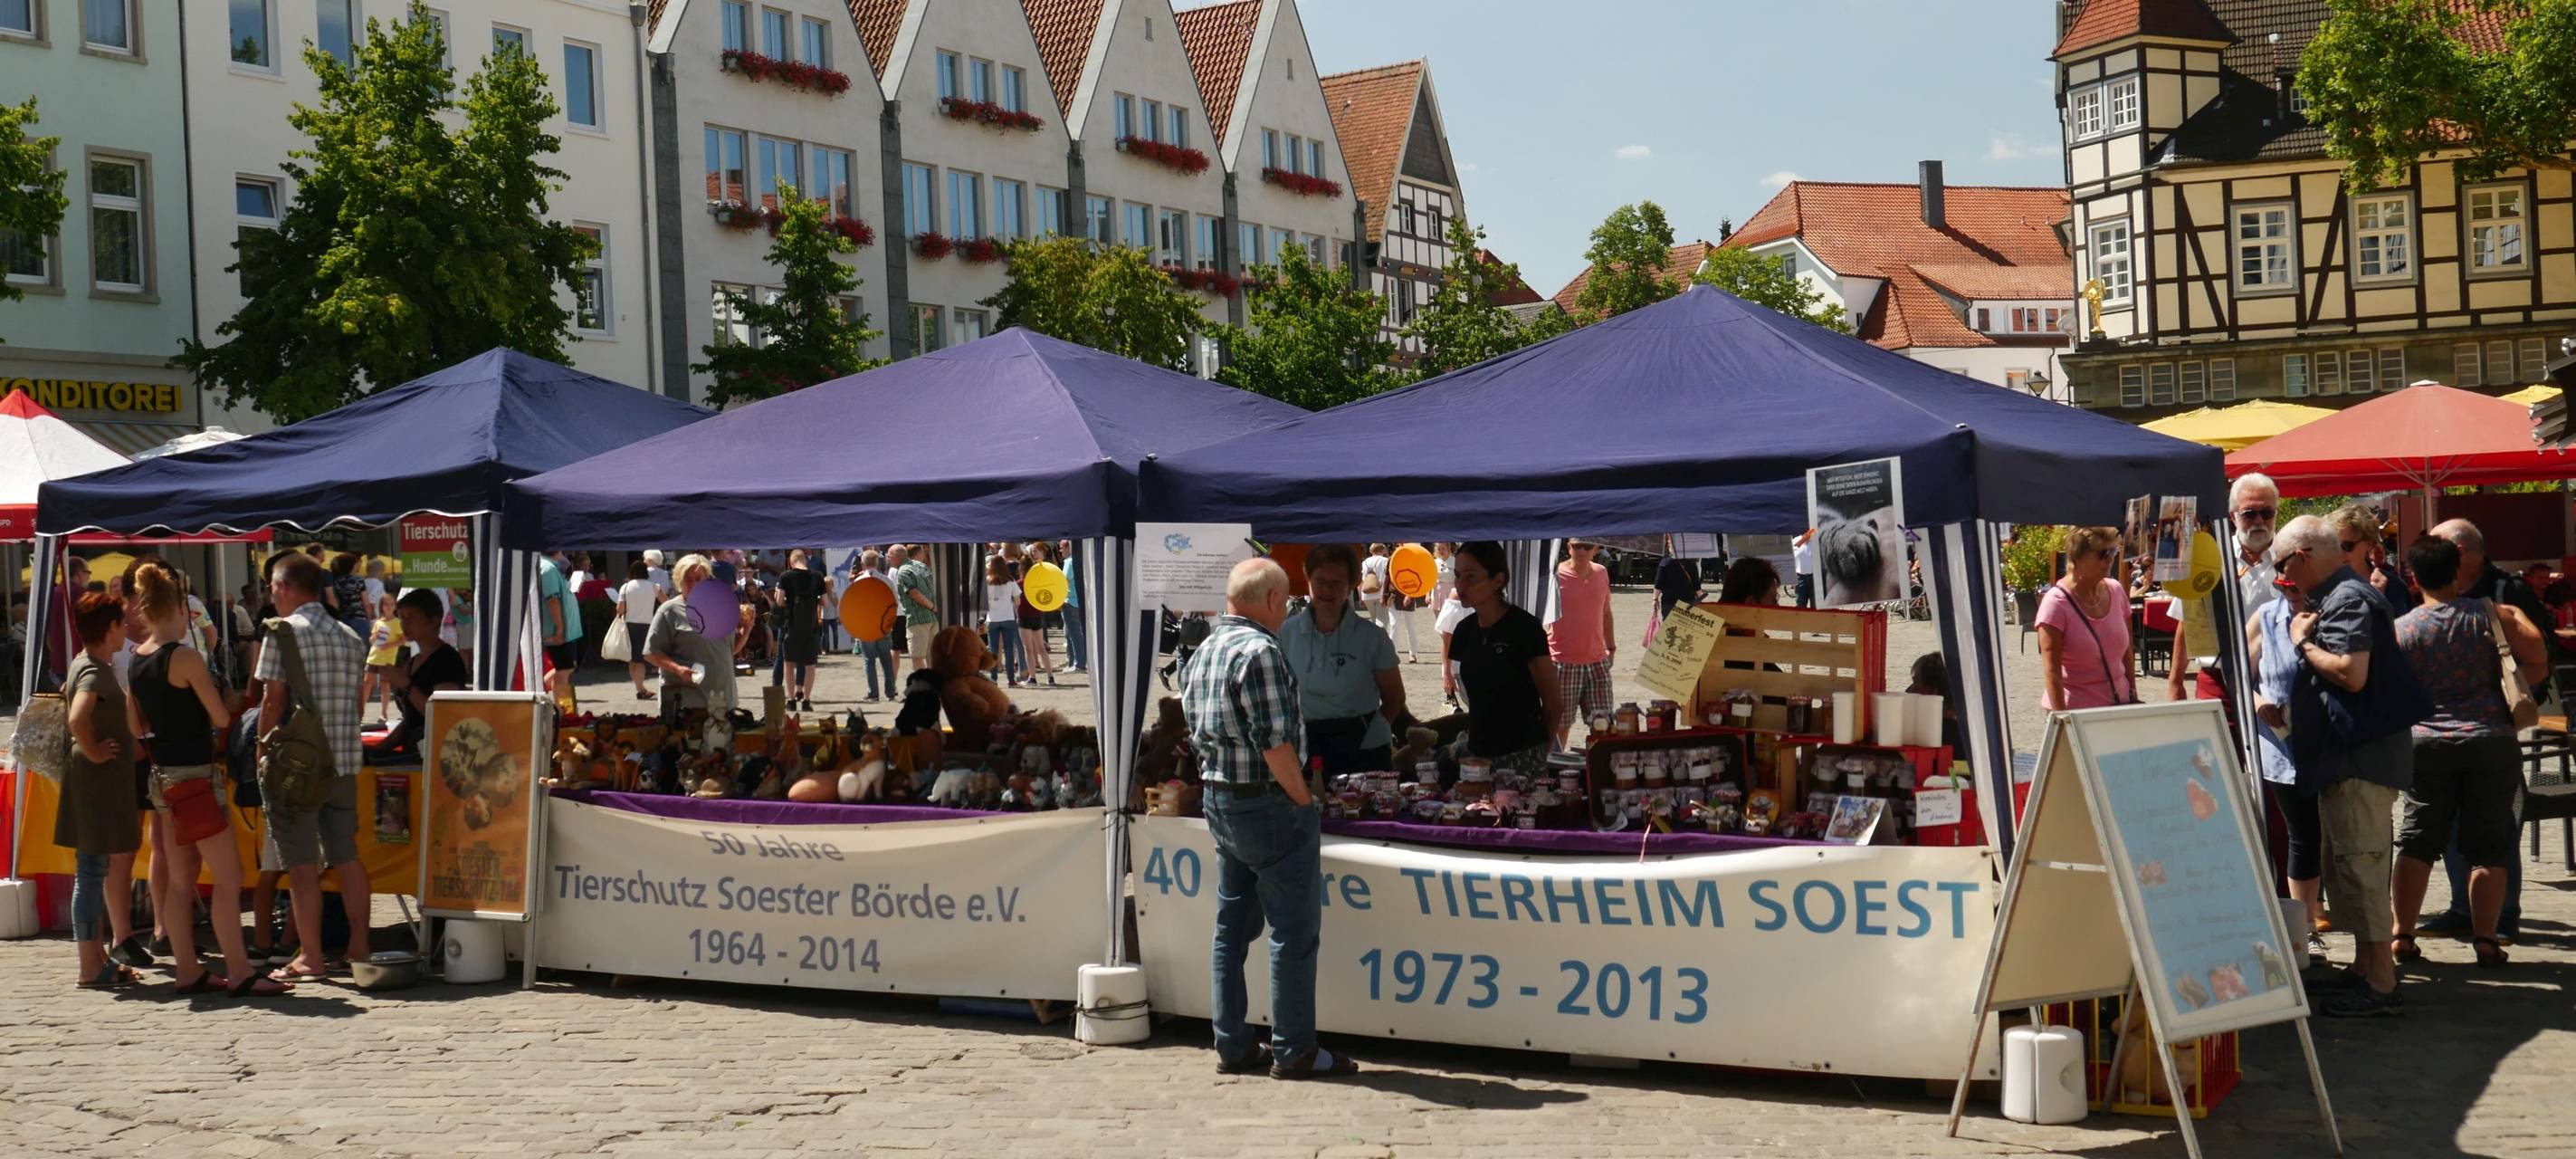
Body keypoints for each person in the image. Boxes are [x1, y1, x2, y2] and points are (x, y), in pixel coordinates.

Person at [1181, 557, 1357, 1080]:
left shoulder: (1205, 648)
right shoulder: (1260, 651)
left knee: (1230, 930)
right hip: (1266, 802)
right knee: (1292, 933)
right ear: (1276, 600)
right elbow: (1276, 744)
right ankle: (1295, 1049)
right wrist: (1303, 800)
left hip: (1221, 796)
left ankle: (1233, 1044)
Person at [126, 563, 289, 997]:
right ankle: (238, 969)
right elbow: (220, 717)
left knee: (181, 881)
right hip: (195, 776)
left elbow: (134, 725)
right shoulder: (185, 656)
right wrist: (225, 699)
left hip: (163, 778)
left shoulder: (137, 659)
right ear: (180, 608)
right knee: (229, 876)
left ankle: (187, 969)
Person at [2274, 514, 2411, 1017]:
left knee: (2363, 867)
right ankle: (2363, 968)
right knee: (2350, 869)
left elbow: (2353, 675)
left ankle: (2380, 982)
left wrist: (2302, 642)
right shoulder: (2339, 595)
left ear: (2302, 557)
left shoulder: (2349, 598)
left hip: (2361, 761)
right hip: (2345, 760)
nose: (2283, 580)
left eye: (2283, 569)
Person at [2390, 535, 2543, 970]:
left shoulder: (2402, 629)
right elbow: (2537, 655)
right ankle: (2486, 940)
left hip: (2426, 744)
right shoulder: (2491, 615)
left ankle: (2402, 935)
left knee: (2416, 840)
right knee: (2490, 844)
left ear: (2414, 577)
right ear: (2458, 571)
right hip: (2491, 740)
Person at [2422, 518, 2548, 941]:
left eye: (2434, 546)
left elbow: (2538, 653)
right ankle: (2464, 908)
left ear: (2458, 554)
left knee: (2495, 826)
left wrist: (2502, 699)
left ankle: (2502, 915)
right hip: (2445, 732)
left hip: (2494, 731)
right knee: (2456, 825)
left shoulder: (2506, 591)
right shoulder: (2442, 590)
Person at [253, 551, 372, 982]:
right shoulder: (351, 636)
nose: (272, 597)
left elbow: (273, 701)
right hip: (343, 760)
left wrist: (260, 750)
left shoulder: (282, 634)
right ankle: (360, 946)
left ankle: (311, 956)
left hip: (298, 767)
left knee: (302, 866)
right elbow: (357, 703)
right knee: (346, 857)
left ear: (285, 587)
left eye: (273, 589)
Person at [59, 591, 144, 989]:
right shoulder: (94, 668)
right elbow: (78, 718)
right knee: (91, 871)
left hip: (92, 782)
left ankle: (95, 959)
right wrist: (93, 750)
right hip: (94, 784)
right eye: (121, 623)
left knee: (91, 870)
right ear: (110, 628)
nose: (125, 628)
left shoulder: (86, 662)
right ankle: (89, 965)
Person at [2247, 581, 2328, 964]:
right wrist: (2260, 701)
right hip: (2280, 744)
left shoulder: (2331, 614)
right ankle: (2306, 928)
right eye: (2285, 584)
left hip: (2329, 745)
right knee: (2303, 835)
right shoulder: (2265, 616)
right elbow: (2241, 677)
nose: (2294, 591)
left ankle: (2337, 918)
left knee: (2332, 835)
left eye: (2300, 584)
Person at [1280, 545, 1407, 773]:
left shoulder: (1373, 637)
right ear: (1308, 579)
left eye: (1336, 582)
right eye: (1320, 580)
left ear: (1352, 585)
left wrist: (1372, 731)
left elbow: (1395, 697)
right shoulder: (1285, 632)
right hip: (1304, 746)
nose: (1326, 589)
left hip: (1364, 748)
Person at [2167, 473, 2281, 702]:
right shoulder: (2209, 556)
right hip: (2218, 678)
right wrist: (2175, 681)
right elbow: (2188, 621)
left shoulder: (2291, 555)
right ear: (2233, 516)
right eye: (2249, 514)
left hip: (2279, 679)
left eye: (2267, 513)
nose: (2259, 521)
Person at [1448, 541, 1560, 775]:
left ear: (1498, 580)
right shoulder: (1463, 631)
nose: (1461, 585)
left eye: (1471, 577)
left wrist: (1539, 753)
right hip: (1477, 755)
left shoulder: (1525, 628)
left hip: (1522, 755)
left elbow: (1553, 703)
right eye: (1457, 576)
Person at [2035, 526, 2135, 711]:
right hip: (2076, 712)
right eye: (2103, 553)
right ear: (2077, 557)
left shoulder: (2116, 590)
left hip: (2120, 707)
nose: (2110, 558)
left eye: (2113, 551)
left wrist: (2133, 696)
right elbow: (2052, 672)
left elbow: (2127, 651)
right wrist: (2063, 720)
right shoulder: (2056, 603)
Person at [644, 554, 734, 719]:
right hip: (687, 703)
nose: (693, 584)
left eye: (698, 578)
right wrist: (677, 669)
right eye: (688, 579)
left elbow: (728, 651)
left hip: (723, 700)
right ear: (679, 581)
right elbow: (651, 653)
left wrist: (747, 630)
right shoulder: (669, 610)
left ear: (707, 579)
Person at [385, 588, 467, 756]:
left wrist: (406, 685)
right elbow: (411, 721)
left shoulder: (447, 660)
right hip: (415, 752)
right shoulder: (413, 661)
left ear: (434, 621)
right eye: (402, 617)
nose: (404, 624)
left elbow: (440, 714)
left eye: (412, 617)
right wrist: (379, 749)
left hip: (438, 755)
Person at [1550, 540, 1617, 748]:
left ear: (1596, 549)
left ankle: (1597, 773)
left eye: (1587, 546)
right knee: (1561, 725)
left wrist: (1611, 647)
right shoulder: (1554, 574)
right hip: (1563, 662)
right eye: (1576, 546)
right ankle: (1556, 773)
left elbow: (1606, 613)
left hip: (1597, 663)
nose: (1580, 551)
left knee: (1603, 725)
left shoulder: (1601, 572)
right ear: (1568, 547)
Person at [777, 549, 826, 712]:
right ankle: (806, 700)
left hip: (791, 625)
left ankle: (791, 700)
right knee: (810, 664)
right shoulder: (817, 577)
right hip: (810, 626)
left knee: (789, 663)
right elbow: (825, 602)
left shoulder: (785, 576)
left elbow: (779, 601)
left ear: (791, 562)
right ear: (806, 560)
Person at [852, 551, 898, 700]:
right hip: (883, 624)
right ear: (877, 563)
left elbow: (855, 606)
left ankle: (873, 694)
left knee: (869, 660)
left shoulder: (859, 581)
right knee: (886, 659)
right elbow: (894, 602)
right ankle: (890, 693)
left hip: (866, 625)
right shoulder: (886, 580)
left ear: (863, 564)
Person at [616, 560, 660, 701]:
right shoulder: (653, 586)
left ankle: (639, 688)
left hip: (629, 624)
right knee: (641, 659)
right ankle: (641, 689)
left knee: (632, 659)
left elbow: (620, 609)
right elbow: (667, 602)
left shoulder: (625, 587)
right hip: (646, 624)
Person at [537, 550, 585, 676]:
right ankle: (557, 695)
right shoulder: (548, 569)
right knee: (564, 669)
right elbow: (552, 600)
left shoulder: (550, 567)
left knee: (567, 667)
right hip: (558, 630)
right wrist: (559, 628)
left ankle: (548, 691)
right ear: (557, 551)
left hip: (563, 630)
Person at [981, 556, 1026, 687]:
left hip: (992, 619)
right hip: (1008, 618)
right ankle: (1011, 680)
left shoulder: (987, 582)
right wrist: (1009, 602)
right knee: (1009, 650)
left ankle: (994, 679)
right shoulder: (1011, 581)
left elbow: (983, 603)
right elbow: (1018, 601)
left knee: (994, 651)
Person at [892, 545, 938, 672]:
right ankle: (935, 686)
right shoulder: (921, 565)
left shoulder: (903, 571)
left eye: (889, 557)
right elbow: (934, 586)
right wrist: (934, 607)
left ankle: (924, 687)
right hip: (932, 618)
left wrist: (932, 606)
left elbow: (914, 593)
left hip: (917, 619)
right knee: (931, 655)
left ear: (897, 557)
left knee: (917, 657)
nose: (887, 560)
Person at [1018, 541, 1057, 687]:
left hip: (1024, 617)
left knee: (1029, 649)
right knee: (1042, 649)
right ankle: (1050, 677)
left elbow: (1016, 602)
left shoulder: (1019, 583)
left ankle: (1033, 678)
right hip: (1037, 616)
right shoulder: (1038, 581)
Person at [326, 552, 369, 637]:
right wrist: (370, 617)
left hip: (343, 619)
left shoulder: (335, 581)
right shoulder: (358, 580)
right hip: (359, 618)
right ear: (352, 566)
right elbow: (365, 602)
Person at [1060, 541, 1086, 675]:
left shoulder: (1069, 562)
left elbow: (1063, 582)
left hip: (1069, 602)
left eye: (1062, 548)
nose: (1060, 551)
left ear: (1068, 547)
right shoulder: (1081, 560)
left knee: (1074, 635)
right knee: (1070, 634)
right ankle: (1072, 662)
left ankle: (1079, 663)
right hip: (1077, 602)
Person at [1655, 553, 1703, 621]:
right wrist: (1701, 600)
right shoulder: (1691, 563)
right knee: (1686, 628)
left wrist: (1655, 599)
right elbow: (1697, 586)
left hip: (1669, 602)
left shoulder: (1664, 563)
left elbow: (1658, 585)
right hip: (1688, 601)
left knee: (1668, 627)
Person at [1360, 543, 1394, 630]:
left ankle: (1373, 640)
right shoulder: (1385, 560)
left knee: (1374, 619)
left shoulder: (1365, 562)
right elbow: (1387, 578)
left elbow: (1362, 581)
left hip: (1366, 594)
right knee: (1382, 621)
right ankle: (1380, 641)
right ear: (1383, 550)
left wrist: (1360, 598)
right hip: (1380, 594)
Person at [1790, 527, 1818, 608]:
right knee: (1800, 605)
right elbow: (1791, 559)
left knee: (1816, 606)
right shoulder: (1795, 541)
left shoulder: (1817, 541)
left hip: (1815, 579)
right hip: (1800, 579)